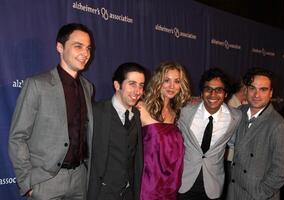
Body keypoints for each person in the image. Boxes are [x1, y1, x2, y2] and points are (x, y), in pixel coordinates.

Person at [8, 23, 94, 199]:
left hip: (79, 179)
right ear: (60, 47)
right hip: (46, 181)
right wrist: (28, 182)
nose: (85, 53)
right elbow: (17, 137)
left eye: (88, 48)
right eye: (78, 46)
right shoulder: (37, 84)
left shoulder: (88, 87)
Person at [226, 67, 284, 200]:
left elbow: (281, 171)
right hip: (234, 193)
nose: (256, 95)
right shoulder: (239, 112)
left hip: (258, 195)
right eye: (252, 88)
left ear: (271, 93)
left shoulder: (279, 126)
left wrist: (259, 193)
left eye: (263, 89)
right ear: (246, 90)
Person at [177, 68, 242, 200]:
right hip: (183, 181)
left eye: (219, 90)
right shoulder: (184, 111)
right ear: (201, 93)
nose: (213, 94)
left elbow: (234, 142)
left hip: (214, 184)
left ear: (226, 94)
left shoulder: (235, 117)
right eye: (208, 89)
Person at [87, 63, 146, 200]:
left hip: (128, 193)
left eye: (141, 85)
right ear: (117, 85)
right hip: (101, 193)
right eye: (132, 84)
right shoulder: (96, 112)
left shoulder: (137, 115)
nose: (137, 91)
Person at [137, 61, 191, 200]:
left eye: (177, 81)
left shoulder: (176, 113)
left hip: (171, 183)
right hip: (147, 182)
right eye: (166, 80)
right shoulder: (141, 107)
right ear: (158, 81)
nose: (172, 86)